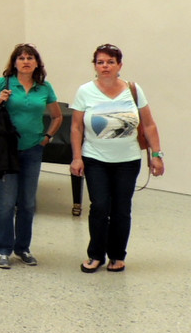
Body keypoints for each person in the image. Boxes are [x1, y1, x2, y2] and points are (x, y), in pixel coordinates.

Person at [70, 44, 164, 273]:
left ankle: (117, 255)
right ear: (95, 66)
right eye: (100, 62)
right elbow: (76, 127)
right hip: (95, 159)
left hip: (127, 161)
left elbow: (149, 125)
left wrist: (156, 154)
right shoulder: (85, 91)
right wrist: (77, 157)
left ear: (119, 65)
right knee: (100, 206)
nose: (105, 66)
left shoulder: (133, 90)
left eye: (110, 62)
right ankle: (95, 255)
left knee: (121, 209)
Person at [0, 43, 62, 269]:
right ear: (14, 63)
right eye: (21, 58)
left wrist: (47, 137)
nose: (26, 62)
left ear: (37, 63)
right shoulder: (2, 83)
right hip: (6, 150)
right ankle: (2, 249)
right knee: (5, 202)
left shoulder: (44, 87)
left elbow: (57, 116)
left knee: (28, 203)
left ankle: (23, 248)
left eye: (30, 58)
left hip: (33, 149)